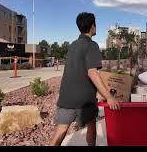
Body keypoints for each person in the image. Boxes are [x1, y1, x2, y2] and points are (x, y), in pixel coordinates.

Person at [49, 12, 120, 146]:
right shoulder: (92, 45)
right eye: (95, 25)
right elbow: (92, 72)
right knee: (91, 127)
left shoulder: (72, 45)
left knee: (61, 131)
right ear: (92, 26)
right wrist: (109, 96)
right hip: (85, 100)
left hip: (66, 97)